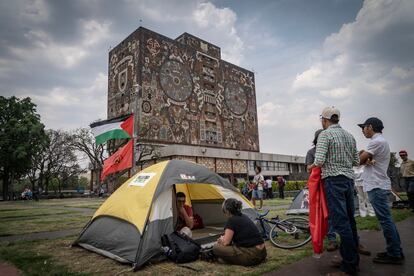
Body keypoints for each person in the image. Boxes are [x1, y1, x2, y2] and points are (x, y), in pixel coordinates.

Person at [309, 106, 360, 275]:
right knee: (350, 221)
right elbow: (355, 160)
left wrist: (313, 165)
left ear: (324, 120)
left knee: (340, 222)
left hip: (332, 180)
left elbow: (320, 159)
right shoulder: (350, 135)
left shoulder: (325, 134)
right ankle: (352, 259)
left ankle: (350, 265)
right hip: (348, 180)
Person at [358, 117, 404, 264]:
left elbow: (359, 160)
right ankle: (395, 250)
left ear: (370, 127)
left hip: (376, 185)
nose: (363, 130)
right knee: (387, 220)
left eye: (363, 127)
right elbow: (365, 160)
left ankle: (394, 253)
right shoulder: (381, 141)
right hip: (378, 184)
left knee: (385, 221)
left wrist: (361, 157)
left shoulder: (376, 142)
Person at [306, 129, 338, 251]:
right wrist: (317, 164)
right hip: (319, 185)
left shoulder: (331, 149)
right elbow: (309, 168)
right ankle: (331, 238)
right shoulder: (311, 152)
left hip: (331, 181)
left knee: (334, 210)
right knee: (323, 212)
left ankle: (343, 238)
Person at [212, 198, 267, 266]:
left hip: (252, 256)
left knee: (216, 247)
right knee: (226, 253)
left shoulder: (231, 220)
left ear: (227, 211)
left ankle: (225, 260)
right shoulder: (244, 216)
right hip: (262, 253)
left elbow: (226, 243)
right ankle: (226, 260)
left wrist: (221, 240)